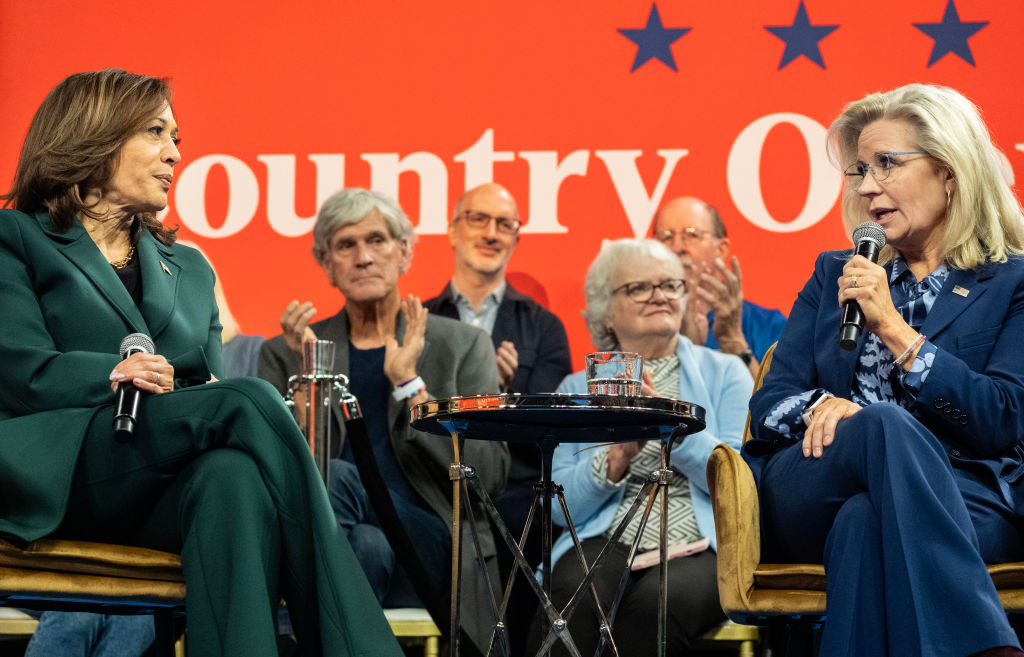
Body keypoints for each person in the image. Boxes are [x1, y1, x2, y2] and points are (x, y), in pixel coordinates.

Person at [0, 69, 403, 657]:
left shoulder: (190, 269)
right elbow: (19, 371)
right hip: (57, 474)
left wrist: (200, 391)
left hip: (158, 482)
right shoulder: (14, 238)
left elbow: (204, 388)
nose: (175, 153)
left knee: (231, 479)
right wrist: (111, 372)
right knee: (248, 398)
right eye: (155, 133)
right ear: (96, 135)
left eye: (177, 138)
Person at [743, 83, 1024, 656]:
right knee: (882, 424)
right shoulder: (833, 274)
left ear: (950, 171)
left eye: (887, 164)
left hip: (961, 494)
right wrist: (826, 409)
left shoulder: (1011, 281)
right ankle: (986, 645)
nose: (868, 186)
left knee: (862, 524)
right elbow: (769, 406)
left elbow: (1003, 419)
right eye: (861, 169)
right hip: (816, 479)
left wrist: (895, 330)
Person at [258, 187, 509, 652]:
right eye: (346, 245)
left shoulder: (463, 346)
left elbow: (488, 476)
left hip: (433, 544)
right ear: (326, 264)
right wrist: (311, 378)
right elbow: (276, 479)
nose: (363, 257)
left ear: (405, 252)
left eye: (377, 240)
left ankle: (282, 634)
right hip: (358, 551)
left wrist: (411, 386)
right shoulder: (287, 352)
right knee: (367, 547)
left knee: (338, 479)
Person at [526, 238, 752, 656]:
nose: (659, 295)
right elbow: (557, 507)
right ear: (606, 313)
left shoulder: (727, 373)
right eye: (639, 287)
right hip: (604, 538)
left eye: (670, 285)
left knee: (654, 608)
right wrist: (615, 459)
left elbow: (739, 483)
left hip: (700, 542)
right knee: (572, 598)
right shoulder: (575, 388)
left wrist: (670, 427)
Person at [424, 182, 572, 652]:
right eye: (478, 219)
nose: (491, 233)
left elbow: (549, 429)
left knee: (528, 518)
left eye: (504, 224)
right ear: (452, 229)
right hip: (434, 478)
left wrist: (501, 396)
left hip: (516, 488)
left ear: (516, 238)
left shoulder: (544, 327)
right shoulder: (419, 320)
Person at [652, 196, 787, 377]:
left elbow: (779, 395)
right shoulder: (639, 323)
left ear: (721, 249)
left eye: (691, 234)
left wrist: (732, 340)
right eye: (666, 237)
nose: (677, 247)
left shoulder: (769, 325)